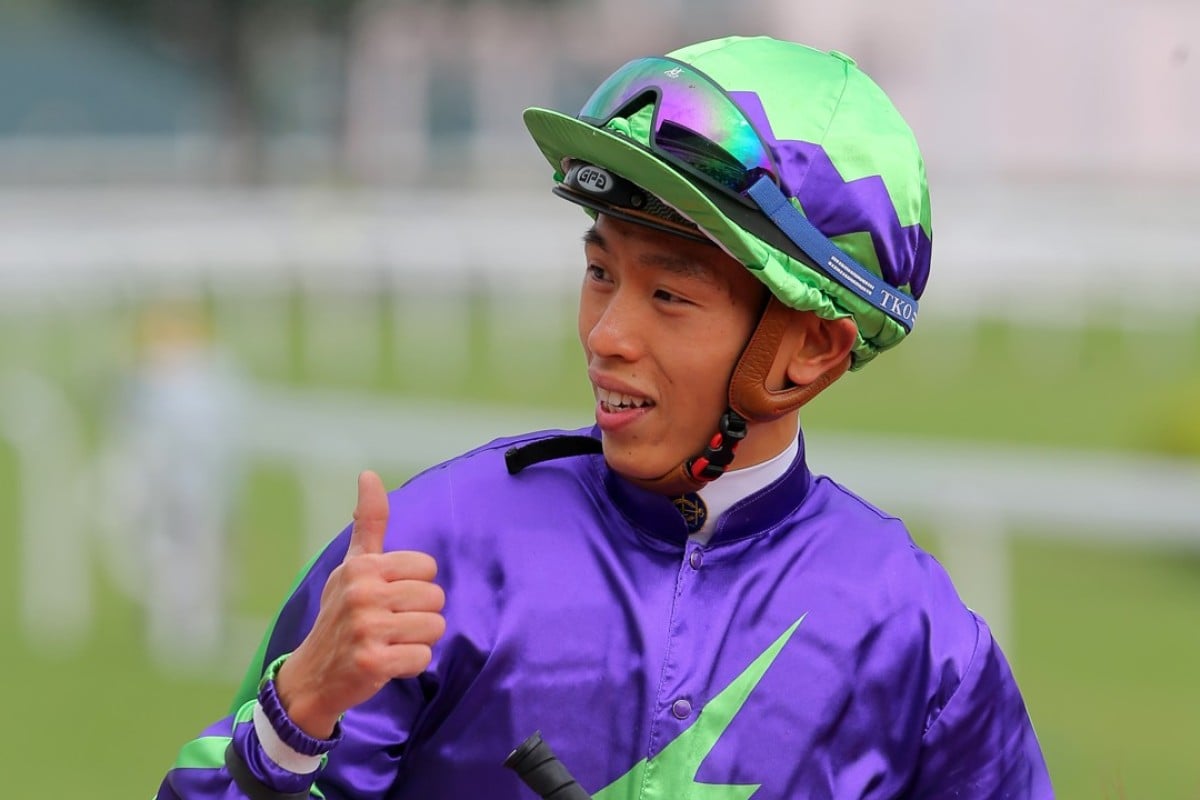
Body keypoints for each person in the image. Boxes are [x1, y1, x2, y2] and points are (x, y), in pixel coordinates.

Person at [156, 35, 1052, 799]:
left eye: (667, 293)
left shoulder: (918, 639)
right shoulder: (428, 556)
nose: (606, 335)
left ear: (810, 349)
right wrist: (296, 713)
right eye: (599, 274)